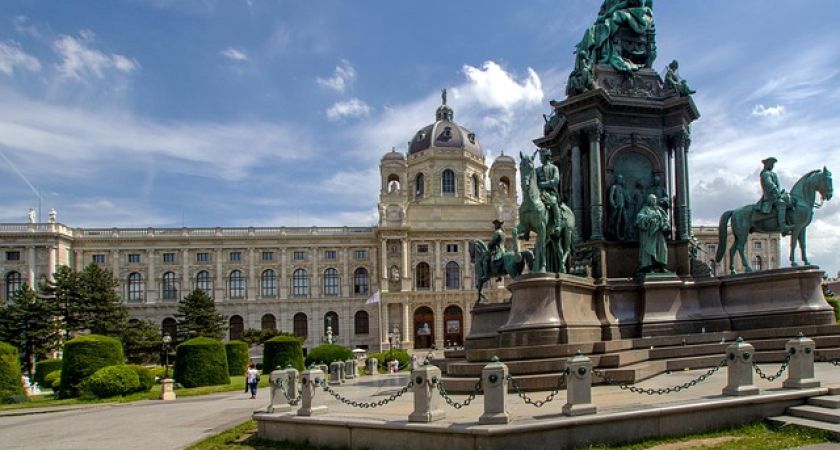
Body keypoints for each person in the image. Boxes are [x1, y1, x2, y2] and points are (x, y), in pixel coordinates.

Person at [636, 194, 670, 273]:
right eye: (652, 199)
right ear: (649, 200)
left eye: (655, 199)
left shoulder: (659, 210)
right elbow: (639, 218)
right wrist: (649, 218)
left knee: (663, 249)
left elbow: (665, 220)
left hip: (658, 232)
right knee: (649, 249)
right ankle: (649, 267)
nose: (654, 201)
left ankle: (661, 266)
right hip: (649, 234)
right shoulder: (645, 209)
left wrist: (665, 225)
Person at [757, 157, 791, 236]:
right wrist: (776, 191)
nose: (772, 166)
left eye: (773, 164)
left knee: (790, 200)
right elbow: (769, 184)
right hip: (770, 198)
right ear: (767, 164)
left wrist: (780, 192)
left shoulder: (772, 174)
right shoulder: (765, 174)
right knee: (781, 204)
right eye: (771, 164)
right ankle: (783, 227)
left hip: (776, 195)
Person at [536, 148, 563, 235]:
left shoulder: (554, 168)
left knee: (553, 202)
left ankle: (558, 225)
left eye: (541, 156)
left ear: (546, 156)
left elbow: (555, 181)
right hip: (540, 193)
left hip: (551, 193)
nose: (540, 158)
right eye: (540, 156)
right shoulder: (537, 170)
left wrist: (542, 184)